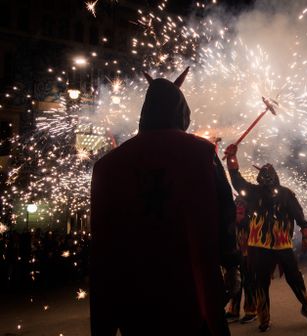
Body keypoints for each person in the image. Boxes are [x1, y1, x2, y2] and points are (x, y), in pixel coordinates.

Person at [90, 68, 237, 336]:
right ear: (181, 110)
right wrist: (231, 262)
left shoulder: (108, 165)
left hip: (134, 292)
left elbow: (102, 241)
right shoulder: (201, 152)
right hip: (191, 286)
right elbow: (224, 209)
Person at [224, 143, 307, 332]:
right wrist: (231, 158)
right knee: (260, 281)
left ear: (275, 178)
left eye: (270, 176)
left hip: (282, 245)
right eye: (264, 176)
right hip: (259, 245)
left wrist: (306, 233)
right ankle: (264, 317)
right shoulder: (253, 192)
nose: (267, 180)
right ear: (261, 179)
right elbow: (236, 179)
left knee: (295, 278)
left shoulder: (286, 194)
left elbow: (300, 217)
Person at [224, 197, 258, 324]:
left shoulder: (251, 222)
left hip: (248, 256)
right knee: (235, 284)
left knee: (249, 283)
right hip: (236, 256)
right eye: (236, 206)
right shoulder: (231, 223)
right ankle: (234, 310)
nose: (239, 208)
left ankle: (251, 311)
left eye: (241, 207)